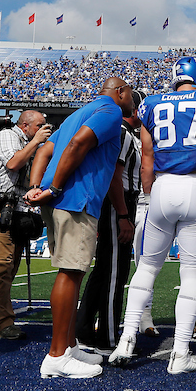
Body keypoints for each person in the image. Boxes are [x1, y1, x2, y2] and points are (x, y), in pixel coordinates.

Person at [26, 77, 134, 379]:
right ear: (120, 92)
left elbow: (46, 151)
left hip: (62, 197)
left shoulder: (79, 112)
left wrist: (38, 186)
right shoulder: (111, 111)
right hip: (74, 198)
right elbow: (78, 143)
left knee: (70, 270)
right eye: (131, 97)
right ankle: (57, 355)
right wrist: (56, 188)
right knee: (70, 272)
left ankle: (69, 345)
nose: (132, 103)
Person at [111, 58, 196, 374]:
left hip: (162, 188)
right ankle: (180, 353)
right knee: (192, 273)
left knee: (147, 267)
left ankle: (126, 339)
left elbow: (147, 161)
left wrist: (149, 197)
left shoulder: (152, 104)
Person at [0, 109, 51, 337]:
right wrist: (35, 143)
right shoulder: (8, 136)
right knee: (1, 268)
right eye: (39, 125)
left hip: (15, 212)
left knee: (7, 270)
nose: (44, 128)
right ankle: (3, 323)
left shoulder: (31, 144)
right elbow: (13, 163)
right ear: (25, 126)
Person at [77, 103, 141, 353]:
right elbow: (116, 175)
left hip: (118, 201)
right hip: (119, 202)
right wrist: (124, 213)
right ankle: (108, 337)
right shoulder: (123, 133)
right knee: (116, 270)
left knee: (104, 268)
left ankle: (83, 329)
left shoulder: (125, 133)